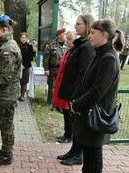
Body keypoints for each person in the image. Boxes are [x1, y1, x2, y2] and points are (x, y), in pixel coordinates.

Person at [70, 19, 124, 173]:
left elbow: (97, 92)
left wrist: (76, 105)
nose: (90, 36)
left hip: (96, 116)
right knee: (89, 158)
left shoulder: (108, 58)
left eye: (93, 33)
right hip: (91, 114)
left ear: (104, 34)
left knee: (93, 160)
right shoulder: (101, 53)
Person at [57, 14, 95, 166]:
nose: (75, 26)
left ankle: (78, 155)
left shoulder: (86, 47)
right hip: (71, 90)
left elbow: (83, 73)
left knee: (78, 126)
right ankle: (73, 151)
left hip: (77, 93)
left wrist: (76, 96)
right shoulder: (81, 44)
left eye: (78, 24)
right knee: (75, 124)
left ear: (87, 25)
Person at [0, 15, 22, 166]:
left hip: (7, 94)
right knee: (3, 123)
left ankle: (7, 155)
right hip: (4, 93)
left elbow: (5, 77)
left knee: (6, 124)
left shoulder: (7, 48)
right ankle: (5, 149)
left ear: (5, 29)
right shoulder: (4, 45)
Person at [52, 31, 77, 143]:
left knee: (69, 114)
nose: (67, 41)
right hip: (62, 85)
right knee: (65, 113)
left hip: (69, 88)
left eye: (69, 39)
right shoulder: (68, 52)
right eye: (67, 39)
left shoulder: (75, 52)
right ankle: (66, 134)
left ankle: (69, 136)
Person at [43, 28, 67, 104]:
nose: (65, 35)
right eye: (64, 34)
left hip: (63, 70)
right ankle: (50, 102)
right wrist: (46, 69)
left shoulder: (67, 45)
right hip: (53, 69)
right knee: (51, 86)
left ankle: (57, 102)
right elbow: (46, 58)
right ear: (59, 35)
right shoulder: (51, 45)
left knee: (60, 87)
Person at [18, 32, 34, 101]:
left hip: (26, 66)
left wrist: (24, 65)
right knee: (17, 81)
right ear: (20, 39)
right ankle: (16, 95)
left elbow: (31, 58)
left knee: (24, 81)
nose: (23, 39)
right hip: (18, 66)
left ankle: (22, 95)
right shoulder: (17, 46)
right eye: (22, 37)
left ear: (27, 38)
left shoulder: (30, 47)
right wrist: (19, 65)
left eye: (24, 37)